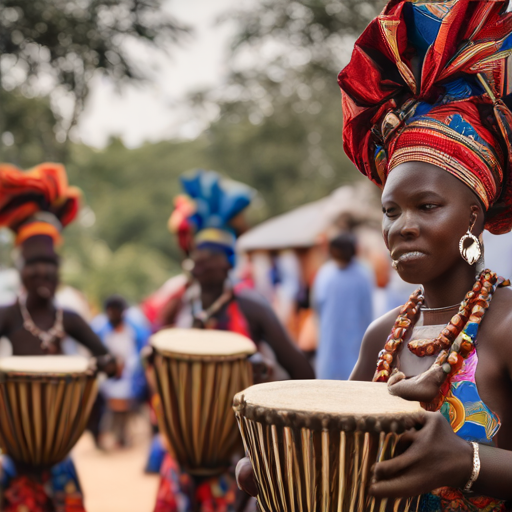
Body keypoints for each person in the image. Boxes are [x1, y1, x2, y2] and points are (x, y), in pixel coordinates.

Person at [237, 1, 512, 510]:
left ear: (473, 217)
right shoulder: (383, 336)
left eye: (426, 206)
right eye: (391, 211)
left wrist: (465, 462)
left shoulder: (506, 325)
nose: (402, 226)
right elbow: (341, 447)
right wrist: (277, 456)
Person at [153, 170, 314, 512]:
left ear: (226, 262)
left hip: (237, 450)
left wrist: (265, 380)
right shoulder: (183, 302)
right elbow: (158, 346)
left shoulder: (250, 304)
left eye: (210, 254)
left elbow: (302, 370)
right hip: (183, 450)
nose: (200, 260)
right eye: (197, 253)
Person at [0, 162, 117, 512]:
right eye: (34, 263)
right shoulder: (7, 315)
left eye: (50, 263)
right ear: (20, 269)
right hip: (13, 452)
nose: (43, 271)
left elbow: (108, 359)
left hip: (59, 453)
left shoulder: (71, 318)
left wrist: (106, 364)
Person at [313, 232, 373, 380]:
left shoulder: (362, 274)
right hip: (330, 344)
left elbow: (368, 315)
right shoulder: (326, 273)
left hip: (354, 346)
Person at [92, 295, 148, 448]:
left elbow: (138, 354)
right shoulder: (100, 328)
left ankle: (123, 438)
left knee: (126, 409)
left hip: (128, 378)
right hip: (107, 378)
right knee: (105, 410)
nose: (114, 315)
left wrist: (126, 369)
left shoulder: (134, 330)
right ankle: (102, 437)